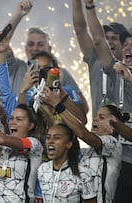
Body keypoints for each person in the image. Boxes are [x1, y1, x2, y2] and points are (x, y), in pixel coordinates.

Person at [82, 1, 132, 201]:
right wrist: (89, 7)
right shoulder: (115, 69)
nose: (129, 47)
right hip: (119, 161)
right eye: (126, 43)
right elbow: (98, 40)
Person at [1, 0, 88, 114]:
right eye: (31, 44)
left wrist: (60, 98)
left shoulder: (60, 73)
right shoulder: (16, 67)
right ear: (25, 48)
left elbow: (84, 109)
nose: (35, 48)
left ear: (50, 48)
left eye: (40, 44)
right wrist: (18, 15)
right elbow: (2, 41)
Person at [72, 0, 128, 116]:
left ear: (124, 44)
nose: (109, 42)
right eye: (106, 38)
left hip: (126, 131)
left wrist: (90, 6)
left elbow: (98, 40)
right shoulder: (95, 61)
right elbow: (80, 30)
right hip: (99, 132)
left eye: (114, 38)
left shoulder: (129, 70)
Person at [38, 123, 97, 203]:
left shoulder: (83, 173)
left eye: (57, 138)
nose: (50, 141)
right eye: (48, 137)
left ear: (68, 144)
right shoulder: (42, 169)